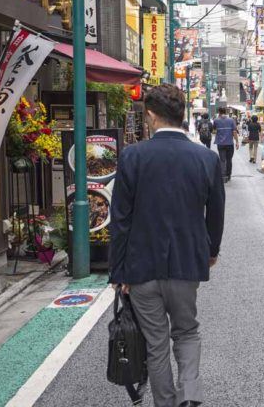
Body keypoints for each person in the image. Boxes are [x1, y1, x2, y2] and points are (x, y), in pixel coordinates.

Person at [109, 84, 225, 407]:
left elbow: (120, 219)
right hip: (188, 264)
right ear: (182, 114)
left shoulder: (132, 156)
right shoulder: (206, 158)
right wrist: (211, 250)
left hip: (141, 268)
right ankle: (189, 397)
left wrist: (118, 272)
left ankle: (166, 403)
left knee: (156, 344)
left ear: (150, 115)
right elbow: (216, 213)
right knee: (187, 332)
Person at [213, 107, 239, 182]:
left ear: (219, 112)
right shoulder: (231, 120)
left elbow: (214, 131)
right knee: (229, 159)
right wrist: (237, 142)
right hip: (230, 143)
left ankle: (223, 176)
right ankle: (228, 175)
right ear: (226, 112)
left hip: (220, 143)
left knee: (222, 160)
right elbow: (234, 132)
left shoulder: (216, 120)